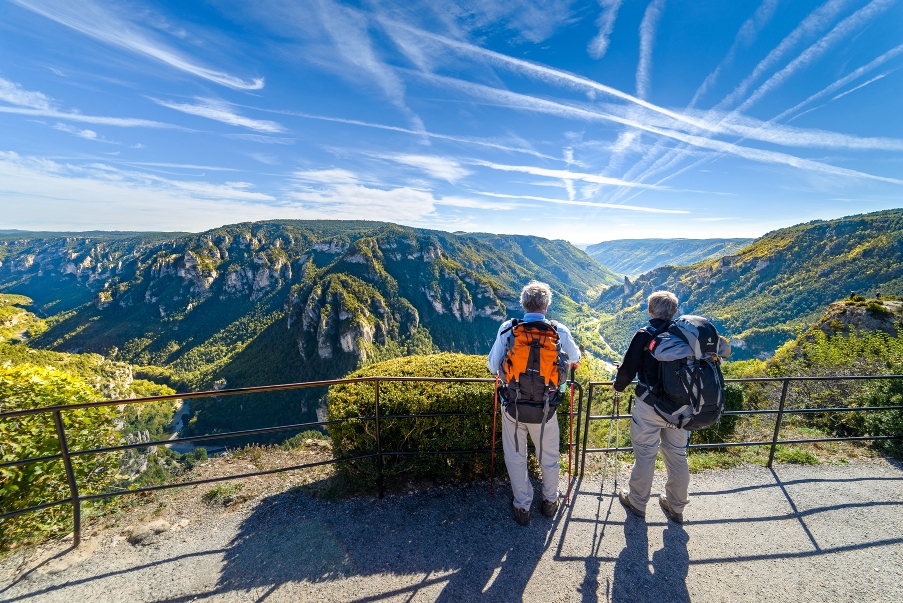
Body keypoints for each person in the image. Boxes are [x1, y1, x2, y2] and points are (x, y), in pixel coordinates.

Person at [488, 280, 581, 526]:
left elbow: (491, 365)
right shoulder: (558, 330)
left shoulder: (508, 328)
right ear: (547, 305)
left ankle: (522, 505)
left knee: (516, 456)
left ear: (523, 304)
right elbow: (576, 357)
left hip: (513, 405)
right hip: (546, 408)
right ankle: (550, 501)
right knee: (549, 456)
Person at [613, 290, 688, 523]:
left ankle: (637, 502)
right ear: (675, 312)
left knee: (646, 454)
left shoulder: (645, 334)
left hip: (650, 405)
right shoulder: (685, 335)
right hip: (681, 407)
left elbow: (628, 370)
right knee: (677, 454)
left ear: (649, 310)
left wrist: (618, 386)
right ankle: (676, 506)